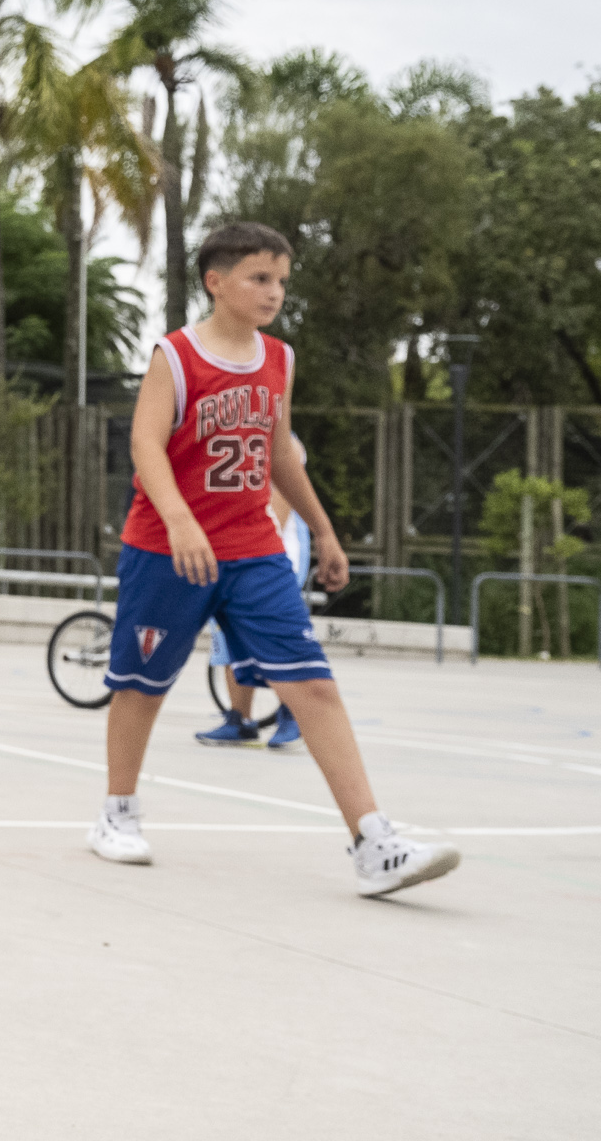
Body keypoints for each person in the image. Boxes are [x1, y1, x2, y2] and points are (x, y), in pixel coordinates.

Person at [89, 221, 456, 895]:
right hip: (167, 548)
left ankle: (374, 842)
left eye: (282, 281)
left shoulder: (279, 361)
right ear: (216, 282)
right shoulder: (175, 356)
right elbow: (145, 445)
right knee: (141, 685)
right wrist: (179, 522)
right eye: (260, 278)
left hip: (253, 549)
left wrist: (322, 530)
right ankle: (117, 814)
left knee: (311, 682)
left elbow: (280, 451)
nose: (274, 292)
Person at [195, 442, 314, 749]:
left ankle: (292, 713)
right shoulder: (224, 432)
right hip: (233, 549)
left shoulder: (283, 442)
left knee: (271, 634)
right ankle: (240, 720)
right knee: (226, 632)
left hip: (273, 553)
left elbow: (280, 511)